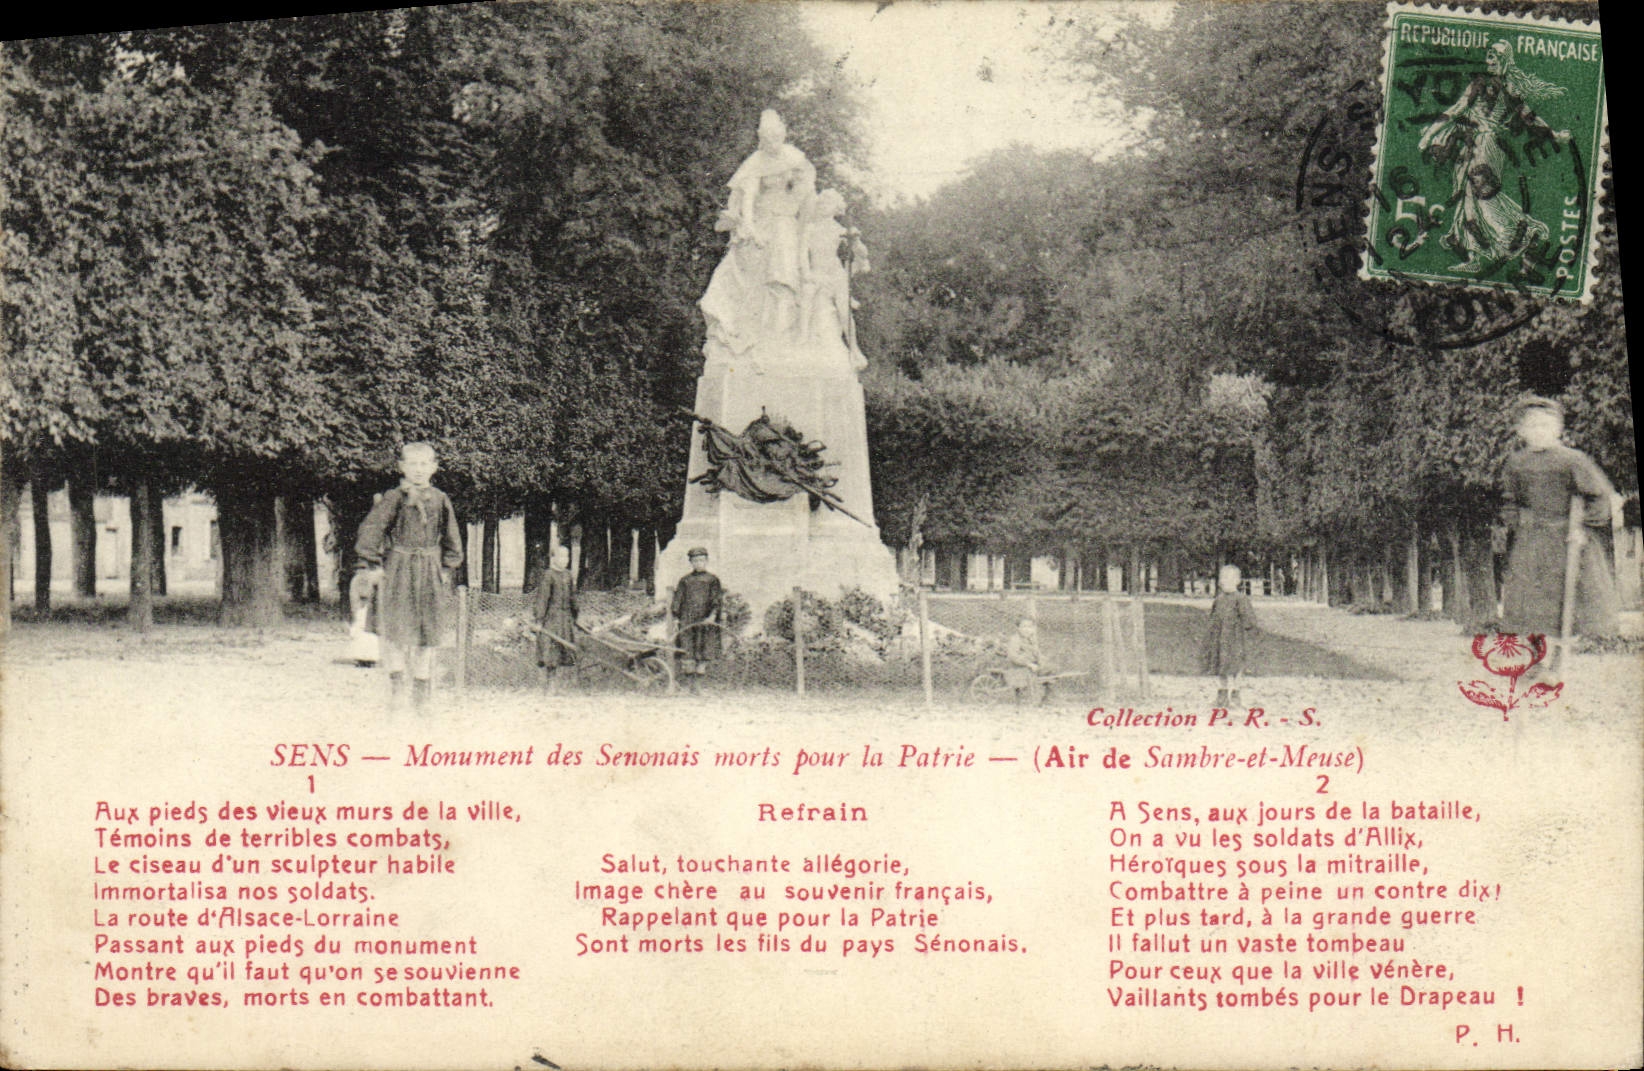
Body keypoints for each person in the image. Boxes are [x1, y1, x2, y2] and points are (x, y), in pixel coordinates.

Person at [1417, 40, 1571, 275]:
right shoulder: (1479, 84)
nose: (1490, 62)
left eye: (1495, 58)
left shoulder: (1510, 89)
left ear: (1506, 61)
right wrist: (1429, 134)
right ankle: (1474, 256)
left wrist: (1554, 135)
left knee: (1483, 198)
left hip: (1488, 146)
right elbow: (1456, 110)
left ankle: (1524, 234)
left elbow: (1530, 119)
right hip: (1472, 144)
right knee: (1467, 201)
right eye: (1488, 57)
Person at [1500, 396, 1619, 651]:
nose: (1539, 432)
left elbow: (1599, 497)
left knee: (1569, 604)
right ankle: (1533, 660)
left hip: (1568, 539)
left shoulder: (1572, 460)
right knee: (1530, 606)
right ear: (1521, 431)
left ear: (1558, 430)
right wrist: (1516, 521)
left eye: (1546, 426)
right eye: (1532, 426)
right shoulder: (1516, 463)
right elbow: (1508, 499)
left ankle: (1556, 661)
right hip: (1532, 542)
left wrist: (1582, 528)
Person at [355, 442, 464, 714]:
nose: (418, 470)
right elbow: (371, 531)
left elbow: (452, 538)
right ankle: (396, 689)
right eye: (412, 464)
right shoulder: (394, 497)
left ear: (434, 467)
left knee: (427, 632)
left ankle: (421, 691)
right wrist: (374, 564)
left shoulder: (440, 499)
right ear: (402, 467)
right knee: (394, 631)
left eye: (424, 464)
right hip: (398, 570)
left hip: (429, 570)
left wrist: (448, 568)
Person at [1202, 564, 1257, 709]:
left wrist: (1245, 628)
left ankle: (1236, 694)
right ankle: (1222, 694)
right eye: (1223, 578)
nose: (1224, 581)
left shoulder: (1241, 598)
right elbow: (1213, 617)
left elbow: (1249, 619)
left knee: (1236, 666)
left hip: (1236, 639)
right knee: (1221, 665)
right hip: (1220, 639)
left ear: (1237, 581)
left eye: (1229, 578)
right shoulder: (1219, 599)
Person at [671, 547, 723, 695]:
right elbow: (677, 601)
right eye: (695, 560)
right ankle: (688, 687)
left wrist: (712, 616)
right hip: (687, 620)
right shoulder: (685, 580)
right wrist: (676, 619)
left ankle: (698, 687)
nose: (698, 563)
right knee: (687, 652)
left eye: (701, 560)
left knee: (703, 652)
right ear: (691, 562)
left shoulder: (712, 580)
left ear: (706, 561)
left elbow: (717, 600)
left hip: (705, 621)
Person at [531, 545, 578, 694]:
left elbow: (572, 597)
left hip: (565, 618)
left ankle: (560, 685)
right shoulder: (548, 575)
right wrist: (539, 620)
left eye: (567, 557)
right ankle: (550, 685)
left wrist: (575, 615)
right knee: (552, 651)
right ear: (554, 558)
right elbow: (542, 599)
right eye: (561, 557)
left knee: (565, 651)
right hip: (552, 618)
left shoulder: (568, 575)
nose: (564, 560)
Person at [1003, 617, 1051, 705]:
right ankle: (1033, 700)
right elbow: (1013, 656)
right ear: (1018, 628)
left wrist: (1043, 662)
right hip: (1018, 668)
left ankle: (1048, 698)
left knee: (1051, 672)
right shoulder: (1015, 640)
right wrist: (1029, 664)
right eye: (1024, 627)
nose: (1027, 630)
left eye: (1030, 627)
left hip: (1032, 665)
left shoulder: (1031, 640)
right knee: (1030, 675)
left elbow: (1037, 653)